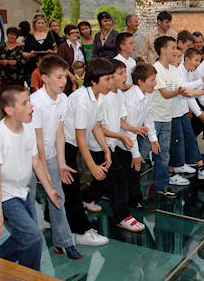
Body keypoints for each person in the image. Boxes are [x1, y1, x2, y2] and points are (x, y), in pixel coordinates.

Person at [0, 85, 60, 271]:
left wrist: (49, 189)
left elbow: (36, 161)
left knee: (25, 238)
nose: (31, 106)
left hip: (22, 191)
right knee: (33, 237)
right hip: (5, 195)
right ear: (9, 110)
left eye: (30, 101)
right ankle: (31, 278)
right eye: (24, 103)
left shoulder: (28, 129)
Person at [28, 55, 82, 260]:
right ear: (44, 78)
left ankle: (64, 242)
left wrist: (61, 163)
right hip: (29, 159)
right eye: (58, 77)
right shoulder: (35, 102)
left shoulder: (63, 99)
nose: (64, 81)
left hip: (49, 155)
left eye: (65, 77)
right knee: (28, 201)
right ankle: (30, 245)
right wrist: (44, 172)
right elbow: (38, 140)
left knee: (58, 197)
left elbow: (60, 133)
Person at [62, 58, 112, 245]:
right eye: (107, 79)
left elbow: (96, 126)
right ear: (93, 81)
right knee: (72, 188)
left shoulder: (99, 97)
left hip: (74, 143)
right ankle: (81, 232)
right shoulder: (82, 100)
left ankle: (49, 219)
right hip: (65, 144)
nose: (111, 83)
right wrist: (92, 167)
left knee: (67, 186)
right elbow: (80, 137)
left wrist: (106, 150)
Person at [99, 60, 145, 231]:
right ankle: (123, 217)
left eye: (125, 72)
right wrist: (121, 136)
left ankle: (86, 198)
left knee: (102, 182)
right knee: (119, 181)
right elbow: (99, 128)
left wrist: (133, 129)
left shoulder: (118, 94)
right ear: (110, 77)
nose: (125, 76)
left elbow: (119, 121)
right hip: (99, 146)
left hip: (111, 145)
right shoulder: (104, 98)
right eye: (121, 73)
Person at [171, 46, 204, 175]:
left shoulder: (189, 72)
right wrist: (202, 82)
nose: (198, 63)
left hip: (182, 110)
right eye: (196, 60)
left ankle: (198, 166)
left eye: (199, 60)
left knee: (189, 137)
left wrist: (199, 112)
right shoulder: (178, 71)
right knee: (177, 141)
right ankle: (175, 169)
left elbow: (190, 95)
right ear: (187, 59)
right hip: (173, 112)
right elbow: (185, 89)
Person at [148, 35, 187, 198]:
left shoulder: (172, 69)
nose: (176, 51)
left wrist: (203, 89)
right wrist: (179, 91)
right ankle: (134, 189)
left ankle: (161, 186)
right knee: (142, 153)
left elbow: (184, 88)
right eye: (173, 47)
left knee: (164, 154)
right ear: (163, 50)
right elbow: (165, 94)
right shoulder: (155, 69)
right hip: (152, 119)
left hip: (166, 118)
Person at [122, 63, 160, 210]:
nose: (155, 83)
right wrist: (136, 154)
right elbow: (129, 130)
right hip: (122, 140)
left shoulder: (147, 94)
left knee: (132, 172)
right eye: (152, 80)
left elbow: (148, 116)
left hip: (131, 138)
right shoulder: (131, 100)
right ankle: (134, 201)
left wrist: (153, 139)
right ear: (140, 82)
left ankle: (134, 199)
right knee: (131, 171)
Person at [23, 13, 56, 87]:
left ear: (45, 23)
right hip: (33, 67)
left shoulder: (51, 34)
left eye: (42, 23)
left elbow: (60, 48)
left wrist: (52, 52)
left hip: (50, 66)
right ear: (34, 24)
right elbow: (24, 53)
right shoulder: (29, 37)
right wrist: (30, 54)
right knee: (36, 87)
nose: (41, 25)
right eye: (38, 23)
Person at [56, 24, 85, 92]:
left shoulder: (80, 46)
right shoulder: (63, 47)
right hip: (68, 78)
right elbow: (59, 64)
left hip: (81, 77)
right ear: (67, 35)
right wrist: (71, 76)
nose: (75, 34)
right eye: (72, 33)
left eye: (76, 32)